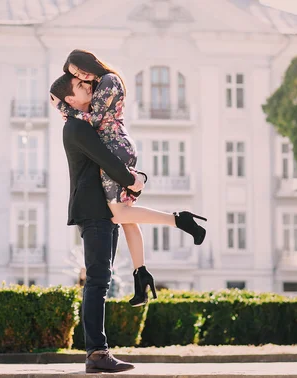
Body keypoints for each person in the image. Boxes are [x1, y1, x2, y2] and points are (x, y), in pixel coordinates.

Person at [51, 49, 207, 307]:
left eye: (80, 71)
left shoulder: (109, 82)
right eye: (76, 76)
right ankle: (141, 275)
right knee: (127, 218)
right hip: (116, 145)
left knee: (118, 215)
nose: (82, 76)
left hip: (115, 148)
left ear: (88, 63)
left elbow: (95, 119)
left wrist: (63, 107)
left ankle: (179, 220)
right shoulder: (102, 83)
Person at [51, 72, 139, 373]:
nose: (88, 86)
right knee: (98, 281)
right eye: (80, 85)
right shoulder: (76, 128)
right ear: (70, 99)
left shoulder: (80, 122)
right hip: (93, 209)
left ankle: (97, 353)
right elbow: (106, 159)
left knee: (101, 279)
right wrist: (133, 182)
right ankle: (97, 354)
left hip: (100, 209)